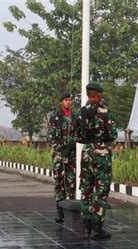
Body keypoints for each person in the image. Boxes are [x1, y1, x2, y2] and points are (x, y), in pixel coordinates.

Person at [75, 82, 117, 239]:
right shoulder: (104, 112)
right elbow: (112, 134)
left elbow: (75, 135)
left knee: (86, 189)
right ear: (98, 94)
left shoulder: (80, 112)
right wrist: (101, 139)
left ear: (87, 94)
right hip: (102, 154)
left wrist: (88, 139)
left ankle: (86, 226)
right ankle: (97, 228)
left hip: (86, 152)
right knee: (101, 190)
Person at [47, 91, 77, 223]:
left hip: (73, 155)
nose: (68, 102)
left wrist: (73, 145)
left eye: (70, 100)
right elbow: (51, 137)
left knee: (72, 182)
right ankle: (59, 210)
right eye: (66, 100)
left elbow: (79, 133)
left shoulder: (75, 117)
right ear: (61, 102)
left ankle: (71, 209)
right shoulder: (55, 117)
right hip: (60, 155)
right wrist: (61, 148)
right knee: (59, 183)